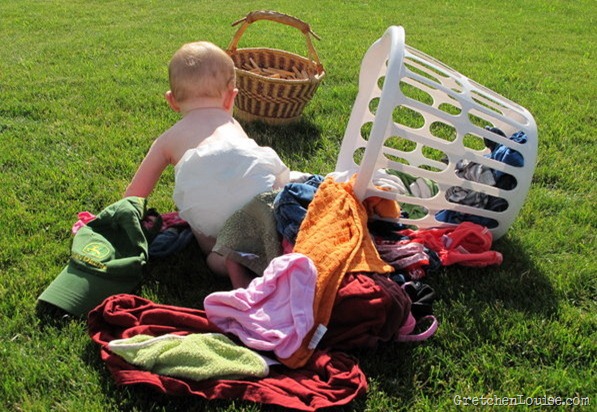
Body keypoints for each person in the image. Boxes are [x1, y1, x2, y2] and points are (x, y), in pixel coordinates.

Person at [125, 41, 290, 288]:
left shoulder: (169, 139)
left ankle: (224, 259)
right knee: (274, 192)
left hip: (209, 210)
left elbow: (135, 195)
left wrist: (116, 219)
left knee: (212, 246)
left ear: (172, 101)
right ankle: (274, 245)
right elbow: (240, 171)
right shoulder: (232, 126)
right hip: (255, 187)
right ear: (231, 97)